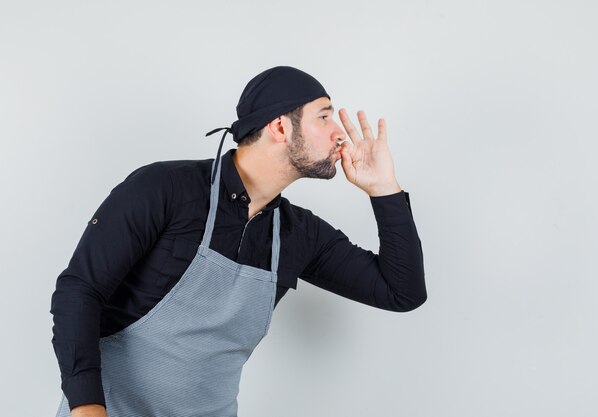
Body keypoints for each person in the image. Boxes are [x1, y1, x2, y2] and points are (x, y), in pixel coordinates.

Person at [50, 65, 427, 417]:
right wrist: (86, 408)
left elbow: (401, 292)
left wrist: (384, 190)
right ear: (280, 127)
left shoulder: (301, 234)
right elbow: (79, 290)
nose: (339, 133)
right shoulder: (163, 189)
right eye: (324, 116)